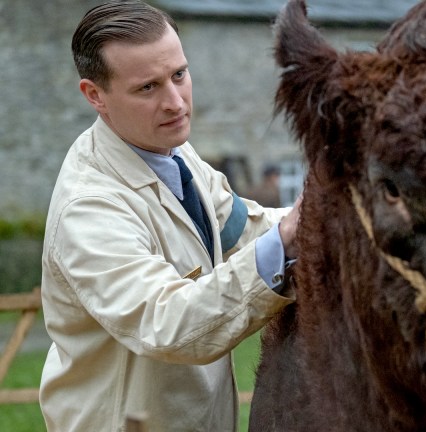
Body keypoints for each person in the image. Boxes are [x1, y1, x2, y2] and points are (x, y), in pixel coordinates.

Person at [39, 1, 301, 430]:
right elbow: (169, 324)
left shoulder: (173, 154)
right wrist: (287, 242)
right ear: (95, 95)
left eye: (179, 74)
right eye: (148, 87)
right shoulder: (88, 209)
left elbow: (243, 227)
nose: (175, 102)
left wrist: (333, 217)